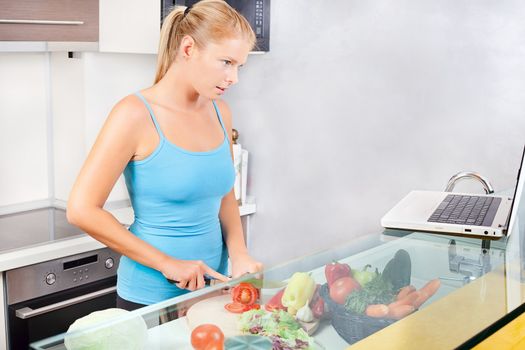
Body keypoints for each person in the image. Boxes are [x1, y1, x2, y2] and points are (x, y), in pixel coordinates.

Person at [67, 0, 263, 310]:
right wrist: (166, 263)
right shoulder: (133, 114)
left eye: (239, 65)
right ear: (188, 49)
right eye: (226, 62)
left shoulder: (220, 111)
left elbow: (225, 193)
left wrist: (238, 252)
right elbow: (81, 209)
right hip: (150, 296)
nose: (234, 77)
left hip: (213, 289)